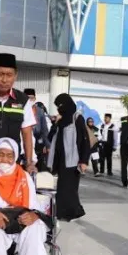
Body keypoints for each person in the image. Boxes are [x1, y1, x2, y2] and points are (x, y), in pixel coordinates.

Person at [47, 93, 89, 222]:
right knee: (62, 186)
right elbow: (50, 137)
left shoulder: (77, 118)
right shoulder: (61, 119)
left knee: (69, 187)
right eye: (58, 106)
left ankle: (71, 212)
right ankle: (63, 212)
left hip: (73, 159)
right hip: (60, 159)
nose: (60, 108)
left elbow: (84, 140)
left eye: (61, 105)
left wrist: (83, 160)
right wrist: (55, 123)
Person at [24, 89, 50, 172]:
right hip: (24, 140)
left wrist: (47, 145)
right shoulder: (20, 109)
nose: (30, 100)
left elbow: (44, 129)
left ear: (35, 98)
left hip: (38, 141)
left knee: (38, 167)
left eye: (31, 98)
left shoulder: (40, 111)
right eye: (27, 98)